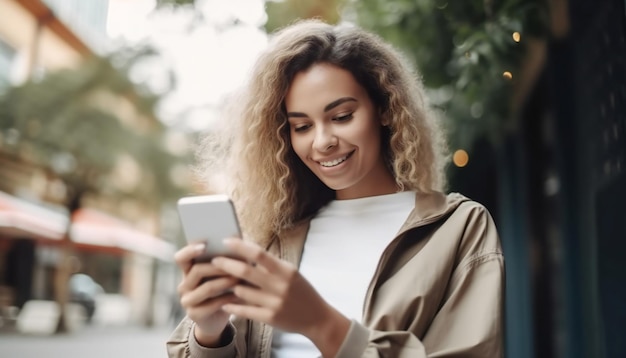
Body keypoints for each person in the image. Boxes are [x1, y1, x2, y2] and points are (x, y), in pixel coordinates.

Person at [167, 19, 504, 358]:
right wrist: (211, 334)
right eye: (301, 126)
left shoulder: (458, 228)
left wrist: (321, 323)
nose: (323, 142)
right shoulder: (274, 237)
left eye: (341, 116)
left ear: (384, 110)